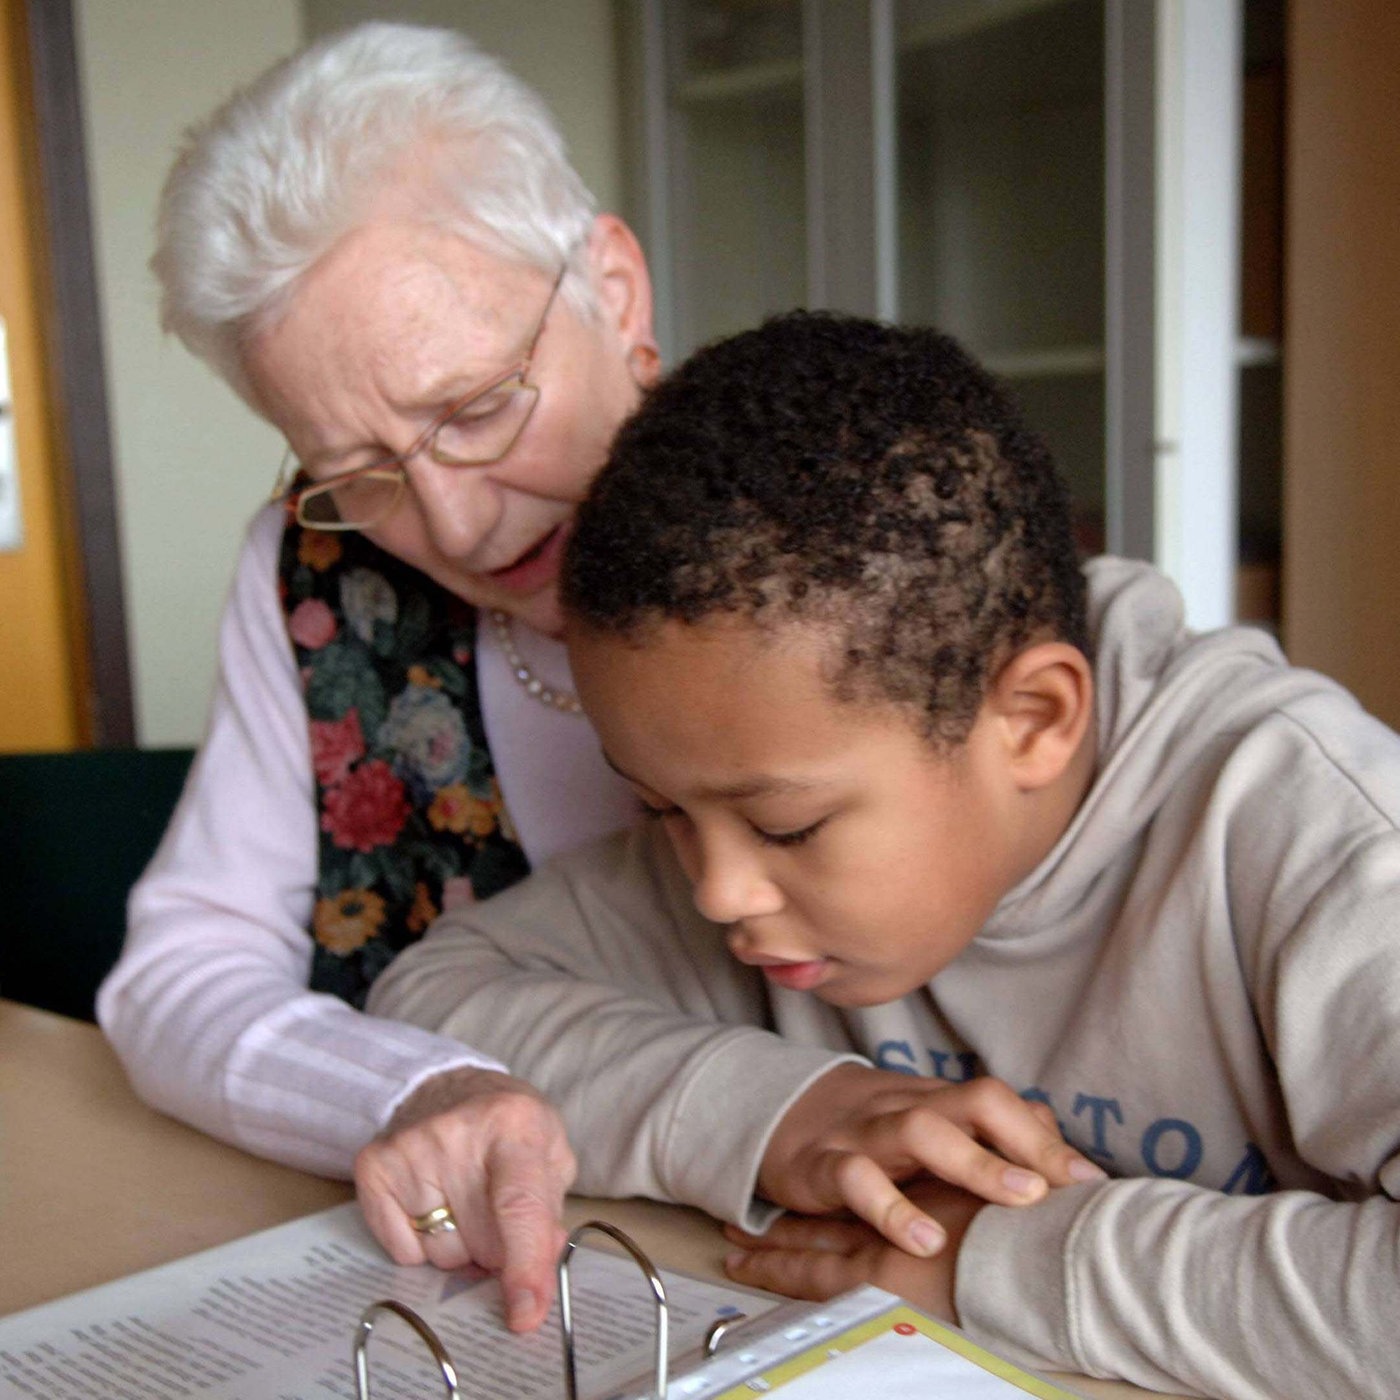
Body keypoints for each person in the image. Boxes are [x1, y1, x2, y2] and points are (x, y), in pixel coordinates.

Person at [99, 26, 1083, 1332]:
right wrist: (411, 1089)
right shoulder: (314, 571)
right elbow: (180, 974)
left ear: (613, 289)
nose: (450, 525)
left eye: (474, 409)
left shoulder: (858, 527)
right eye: (358, 466)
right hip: (516, 1275)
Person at [369, 310, 1400, 1399]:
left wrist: (994, 1259)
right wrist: (778, 1110)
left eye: (786, 828)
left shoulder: (1319, 842)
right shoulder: (744, 802)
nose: (717, 889)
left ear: (1032, 720)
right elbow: (431, 993)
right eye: (658, 807)